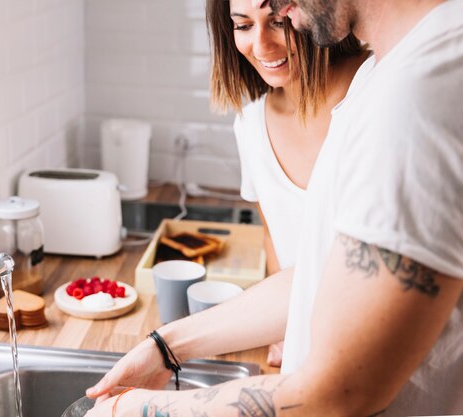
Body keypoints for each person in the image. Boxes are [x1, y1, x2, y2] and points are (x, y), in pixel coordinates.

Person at [85, 0, 463, 415]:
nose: (283, 8)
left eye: (278, 13)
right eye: (244, 22)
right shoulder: (393, 79)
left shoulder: (414, 92)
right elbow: (324, 276)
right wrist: (167, 347)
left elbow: (339, 394)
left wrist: (132, 411)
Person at [215, 0, 366, 366]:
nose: (263, 46)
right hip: (312, 356)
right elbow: (276, 242)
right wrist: (287, 325)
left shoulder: (372, 86)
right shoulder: (250, 126)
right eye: (244, 26)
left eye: (278, 22)